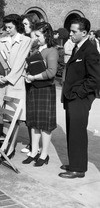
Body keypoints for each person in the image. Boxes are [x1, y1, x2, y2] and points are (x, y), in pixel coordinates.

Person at [59, 17, 100, 179]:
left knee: (77, 132)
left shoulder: (90, 50)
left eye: (74, 31)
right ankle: (75, 162)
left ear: (84, 33)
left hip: (80, 98)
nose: (70, 34)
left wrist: (79, 93)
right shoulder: (79, 47)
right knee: (72, 130)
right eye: (70, 30)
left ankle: (78, 169)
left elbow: (95, 78)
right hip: (73, 96)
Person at [22, 22, 58, 167]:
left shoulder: (51, 51)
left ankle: (44, 154)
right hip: (34, 88)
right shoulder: (36, 49)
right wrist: (27, 74)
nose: (36, 38)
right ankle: (34, 152)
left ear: (47, 35)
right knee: (33, 122)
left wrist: (34, 77)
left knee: (45, 124)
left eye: (38, 35)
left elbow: (51, 72)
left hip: (45, 89)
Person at [0, 14, 31, 121]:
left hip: (16, 82)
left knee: (13, 117)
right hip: (1, 83)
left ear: (17, 26)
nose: (7, 30)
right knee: (0, 115)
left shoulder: (26, 40)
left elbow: (20, 62)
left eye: (10, 27)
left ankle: (11, 138)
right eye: (6, 27)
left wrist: (8, 78)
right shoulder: (1, 41)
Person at [20, 13, 40, 154]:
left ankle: (35, 145)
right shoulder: (27, 39)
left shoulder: (35, 41)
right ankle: (31, 142)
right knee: (28, 113)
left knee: (33, 113)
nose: (24, 26)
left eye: (26, 24)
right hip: (26, 79)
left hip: (34, 80)